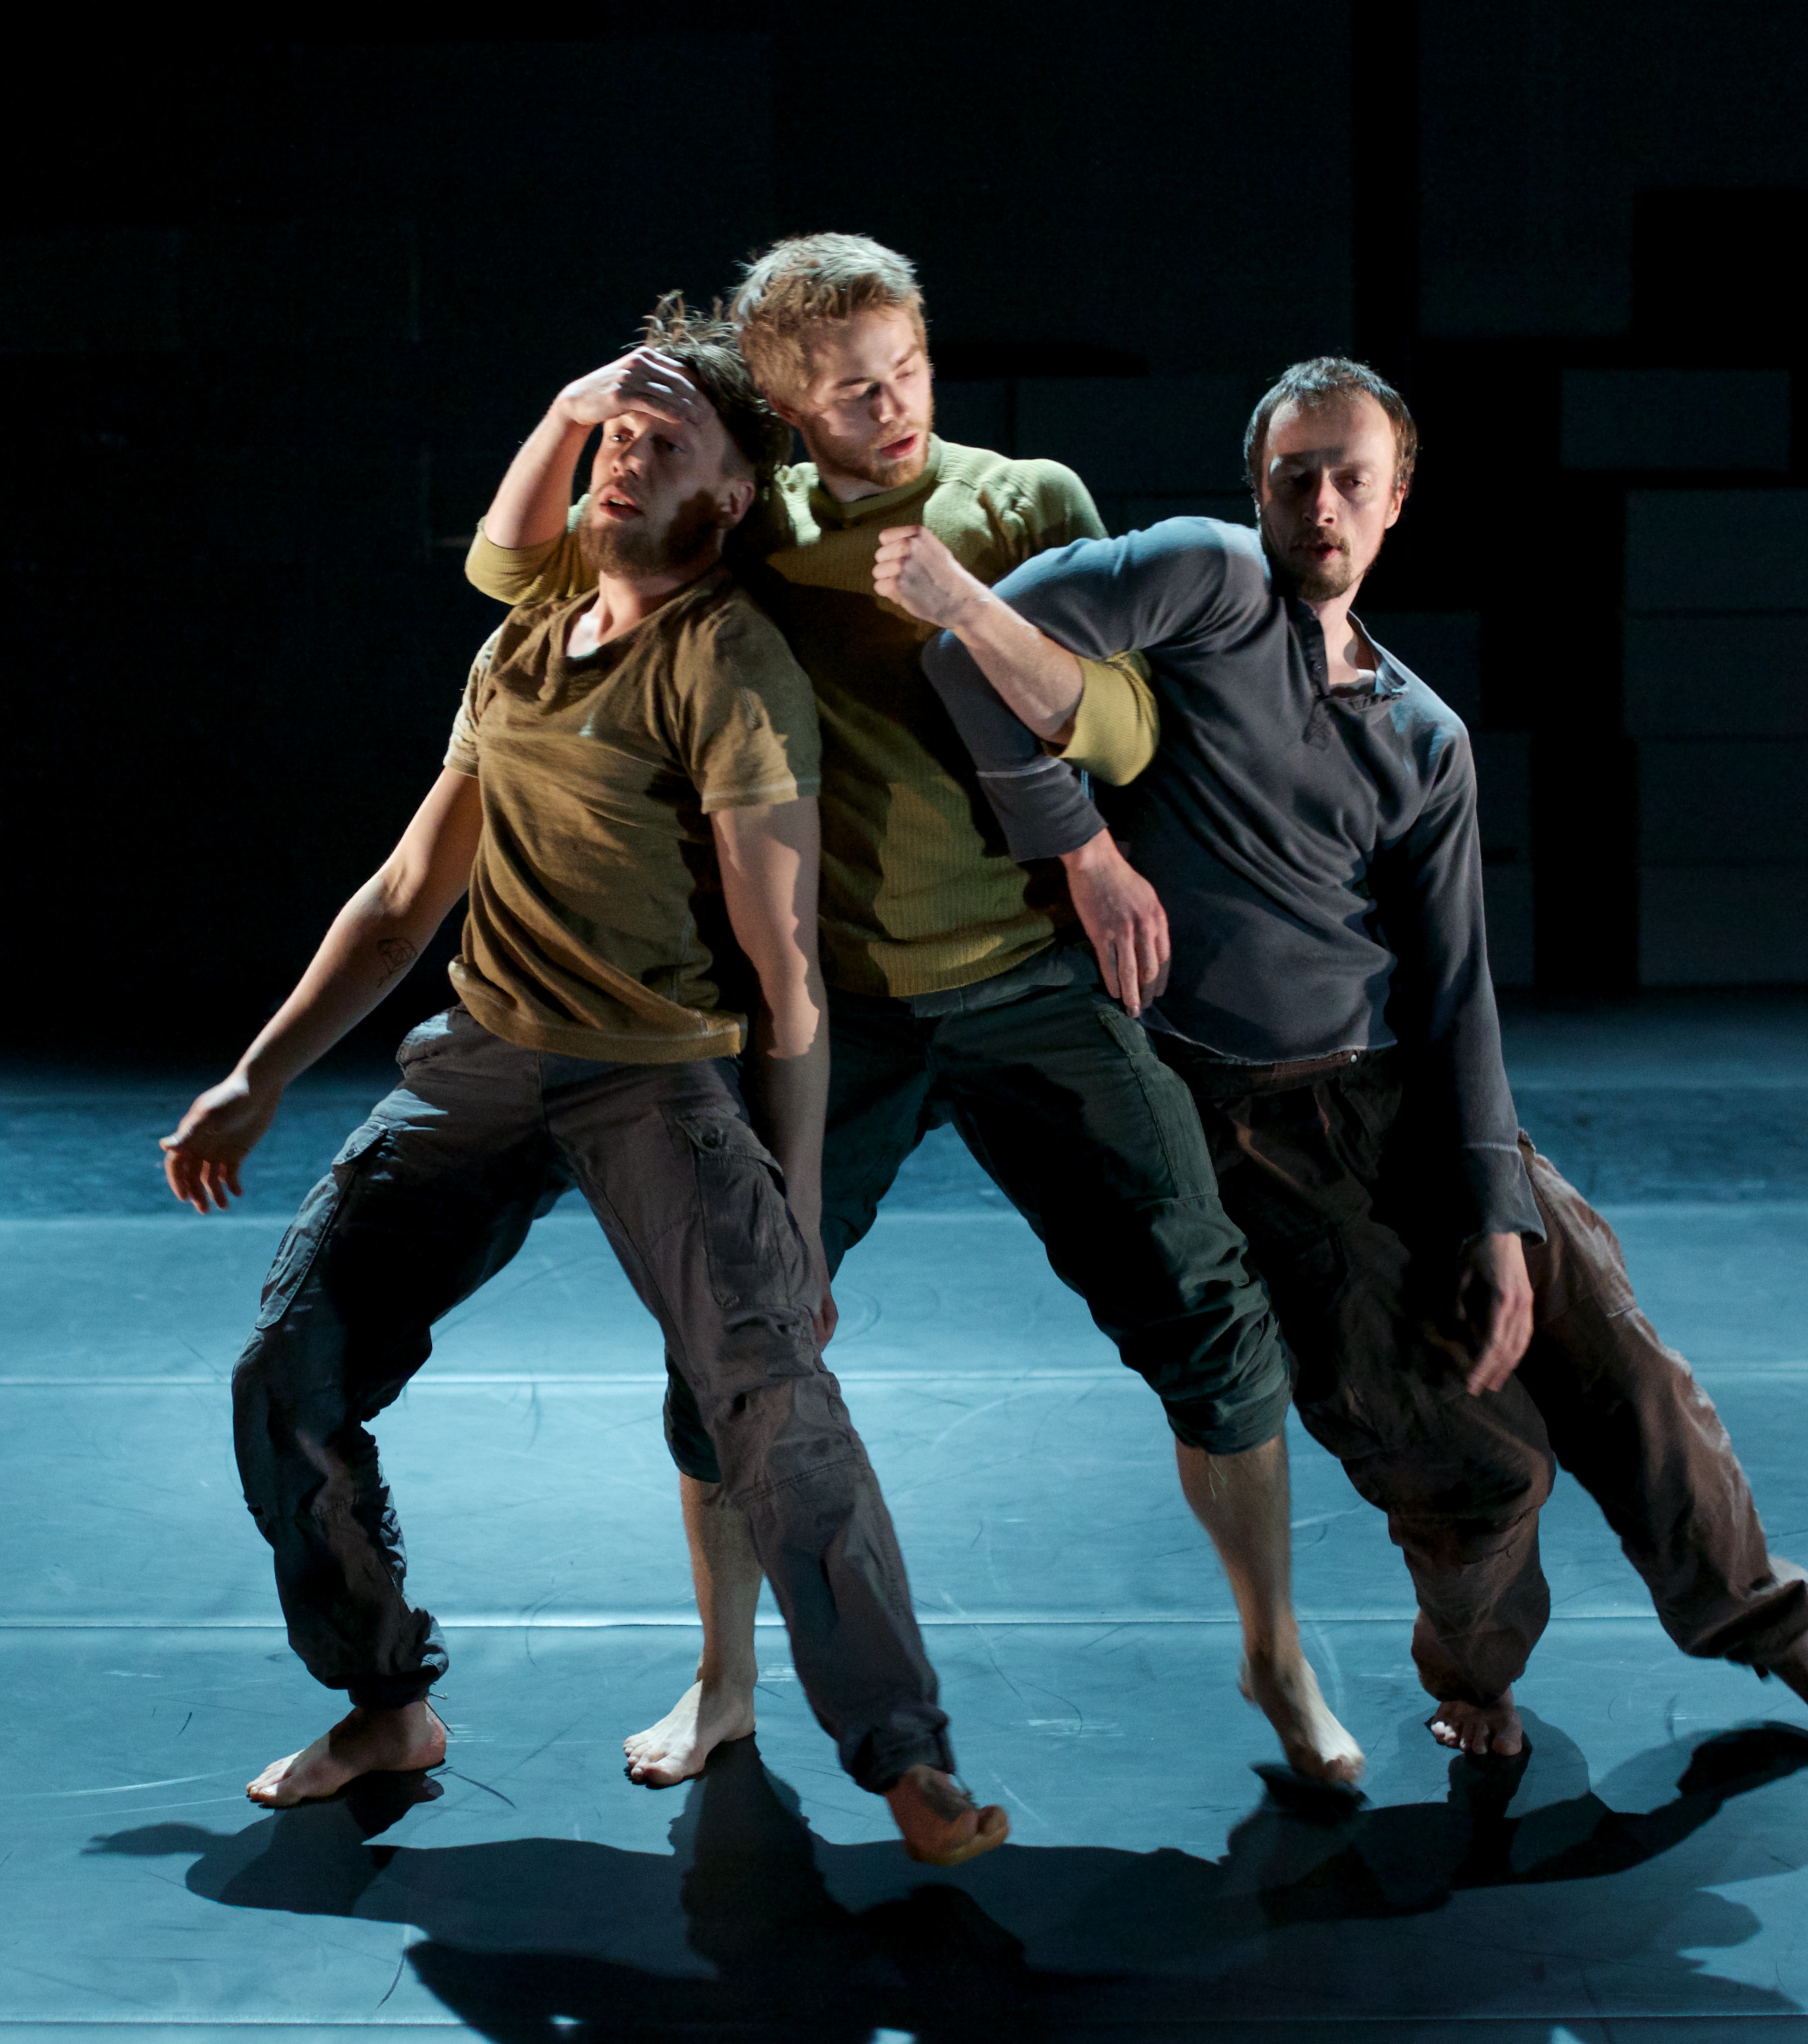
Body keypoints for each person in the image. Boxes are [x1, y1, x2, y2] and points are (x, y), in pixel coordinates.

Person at [887, 354, 1808, 1762]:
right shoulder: (1201, 579)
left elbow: (1454, 989)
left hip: (1405, 1091)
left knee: (1633, 1378)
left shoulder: (1424, 735)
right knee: (1473, 1463)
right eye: (1294, 476)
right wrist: (1082, 848)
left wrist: (1494, 1208)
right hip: (1255, 1125)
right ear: (1258, 489)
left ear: (1395, 499)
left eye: (1349, 479)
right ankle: (1476, 1678)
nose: (1320, 503)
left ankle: (1769, 1627)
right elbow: (960, 648)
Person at [467, 236, 1381, 1793]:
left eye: (908, 372)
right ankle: (724, 1677)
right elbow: (513, 576)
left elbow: (1119, 727)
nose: (892, 409)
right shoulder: (749, 527)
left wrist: (965, 607)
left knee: (1207, 1315)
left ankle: (1276, 1656)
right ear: (783, 408)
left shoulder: (1022, 501)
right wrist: (570, 413)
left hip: (1032, 983)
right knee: (729, 1344)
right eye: (849, 393)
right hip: (838, 1013)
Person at [159, 299, 1005, 1866]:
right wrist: (257, 1076)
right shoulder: (525, 641)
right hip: (482, 1059)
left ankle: (904, 1755)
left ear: (731, 493)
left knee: (771, 1401)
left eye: (661, 443)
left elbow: (787, 973)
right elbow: (403, 896)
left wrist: (795, 1201)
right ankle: (386, 1702)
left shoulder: (729, 663)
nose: (622, 461)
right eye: (614, 437)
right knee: (287, 1374)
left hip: (653, 1077)